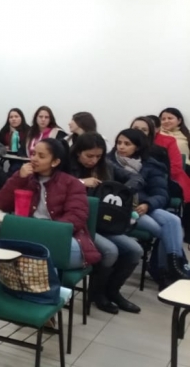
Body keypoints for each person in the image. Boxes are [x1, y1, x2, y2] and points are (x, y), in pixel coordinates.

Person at [0, 138, 101, 269]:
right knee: (25, 252)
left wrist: (47, 231)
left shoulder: (71, 183)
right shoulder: (25, 178)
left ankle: (35, 276)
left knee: (40, 255)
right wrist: (19, 178)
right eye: (33, 154)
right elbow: (1, 203)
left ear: (55, 162)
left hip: (60, 236)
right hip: (30, 232)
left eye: (41, 156)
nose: (34, 159)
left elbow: (76, 217)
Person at [68, 133, 144, 313]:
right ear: (78, 152)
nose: (94, 160)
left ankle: (113, 291)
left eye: (98, 156)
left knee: (135, 250)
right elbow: (59, 185)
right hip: (81, 225)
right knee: (110, 251)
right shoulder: (68, 166)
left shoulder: (106, 165)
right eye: (89, 156)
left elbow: (138, 179)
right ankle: (97, 294)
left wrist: (120, 191)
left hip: (106, 222)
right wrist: (81, 182)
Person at [106, 129, 190, 287]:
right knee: (165, 231)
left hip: (145, 206)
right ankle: (168, 270)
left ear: (137, 147)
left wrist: (148, 204)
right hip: (124, 209)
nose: (121, 147)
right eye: (119, 143)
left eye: (127, 144)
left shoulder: (150, 164)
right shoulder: (109, 162)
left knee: (173, 220)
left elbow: (161, 193)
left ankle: (171, 267)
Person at [134, 116, 190, 203]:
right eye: (135, 128)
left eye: (144, 130)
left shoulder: (158, 152)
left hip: (153, 191)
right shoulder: (121, 149)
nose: (139, 132)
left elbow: (172, 169)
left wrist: (148, 204)